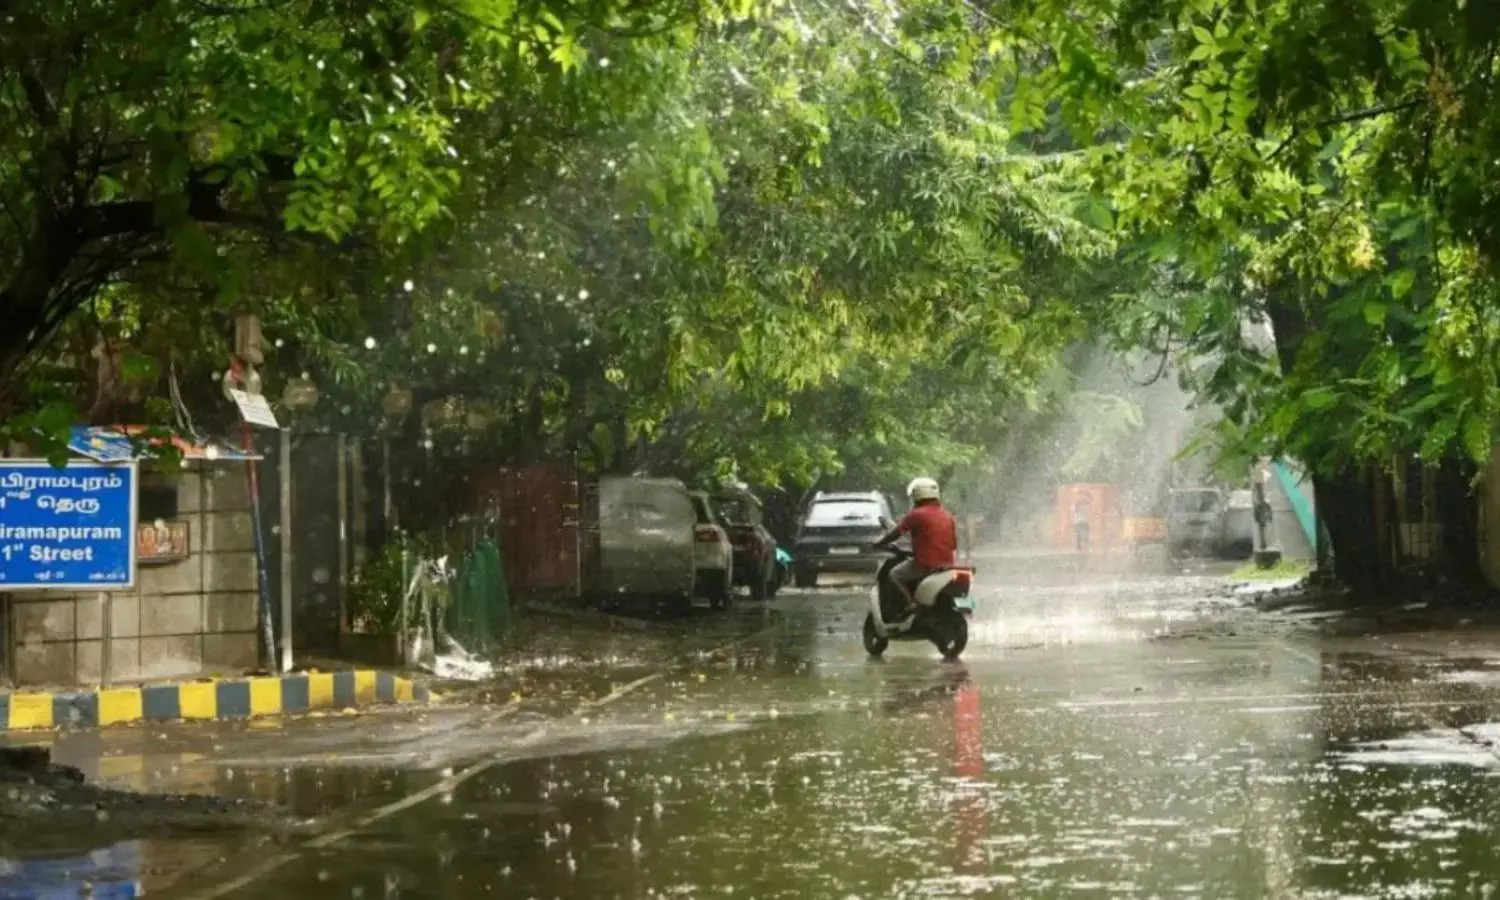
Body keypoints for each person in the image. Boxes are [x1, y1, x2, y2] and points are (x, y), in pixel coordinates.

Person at [873, 477, 958, 606]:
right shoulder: (947, 515)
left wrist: (879, 544)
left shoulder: (916, 514)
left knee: (894, 575)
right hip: (947, 566)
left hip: (926, 565)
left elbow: (896, 533)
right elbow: (953, 545)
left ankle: (910, 604)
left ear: (916, 495)